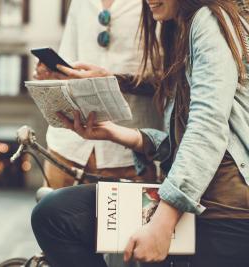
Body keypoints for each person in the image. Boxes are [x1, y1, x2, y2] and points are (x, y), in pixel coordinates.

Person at [31, 0, 249, 266]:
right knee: (55, 212)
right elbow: (183, 141)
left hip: (221, 214)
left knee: (56, 217)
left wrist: (163, 221)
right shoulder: (183, 28)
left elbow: (208, 128)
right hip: (200, 202)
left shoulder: (209, 20)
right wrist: (120, 134)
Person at [34, 0, 162, 190]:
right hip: (66, 149)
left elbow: (173, 80)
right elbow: (68, 60)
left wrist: (112, 79)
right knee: (51, 217)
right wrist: (51, 74)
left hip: (129, 154)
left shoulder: (160, 4)